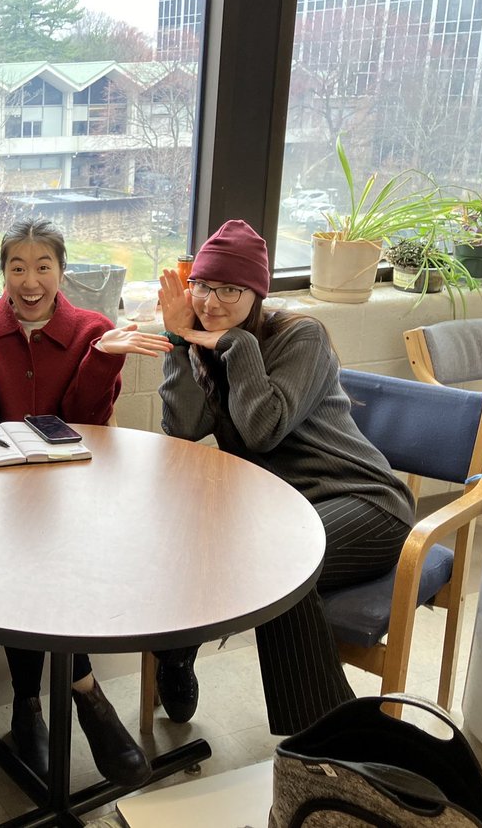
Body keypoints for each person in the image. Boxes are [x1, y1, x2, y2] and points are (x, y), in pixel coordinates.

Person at [0, 216, 171, 786]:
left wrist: (103, 357)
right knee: (26, 558)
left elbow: (87, 422)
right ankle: (82, 699)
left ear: (61, 271)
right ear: (3, 272)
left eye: (43, 266)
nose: (30, 280)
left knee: (55, 558)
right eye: (17, 267)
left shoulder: (94, 327)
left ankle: (32, 707)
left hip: (75, 496)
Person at [156, 219, 415, 735]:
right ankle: (177, 648)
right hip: (286, 514)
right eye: (203, 286)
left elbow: (263, 431)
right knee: (190, 545)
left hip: (364, 502)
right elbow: (182, 428)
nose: (211, 301)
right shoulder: (206, 342)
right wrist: (179, 341)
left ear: (257, 293)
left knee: (281, 570)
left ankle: (332, 738)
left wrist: (237, 346)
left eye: (230, 289)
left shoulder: (302, 337)